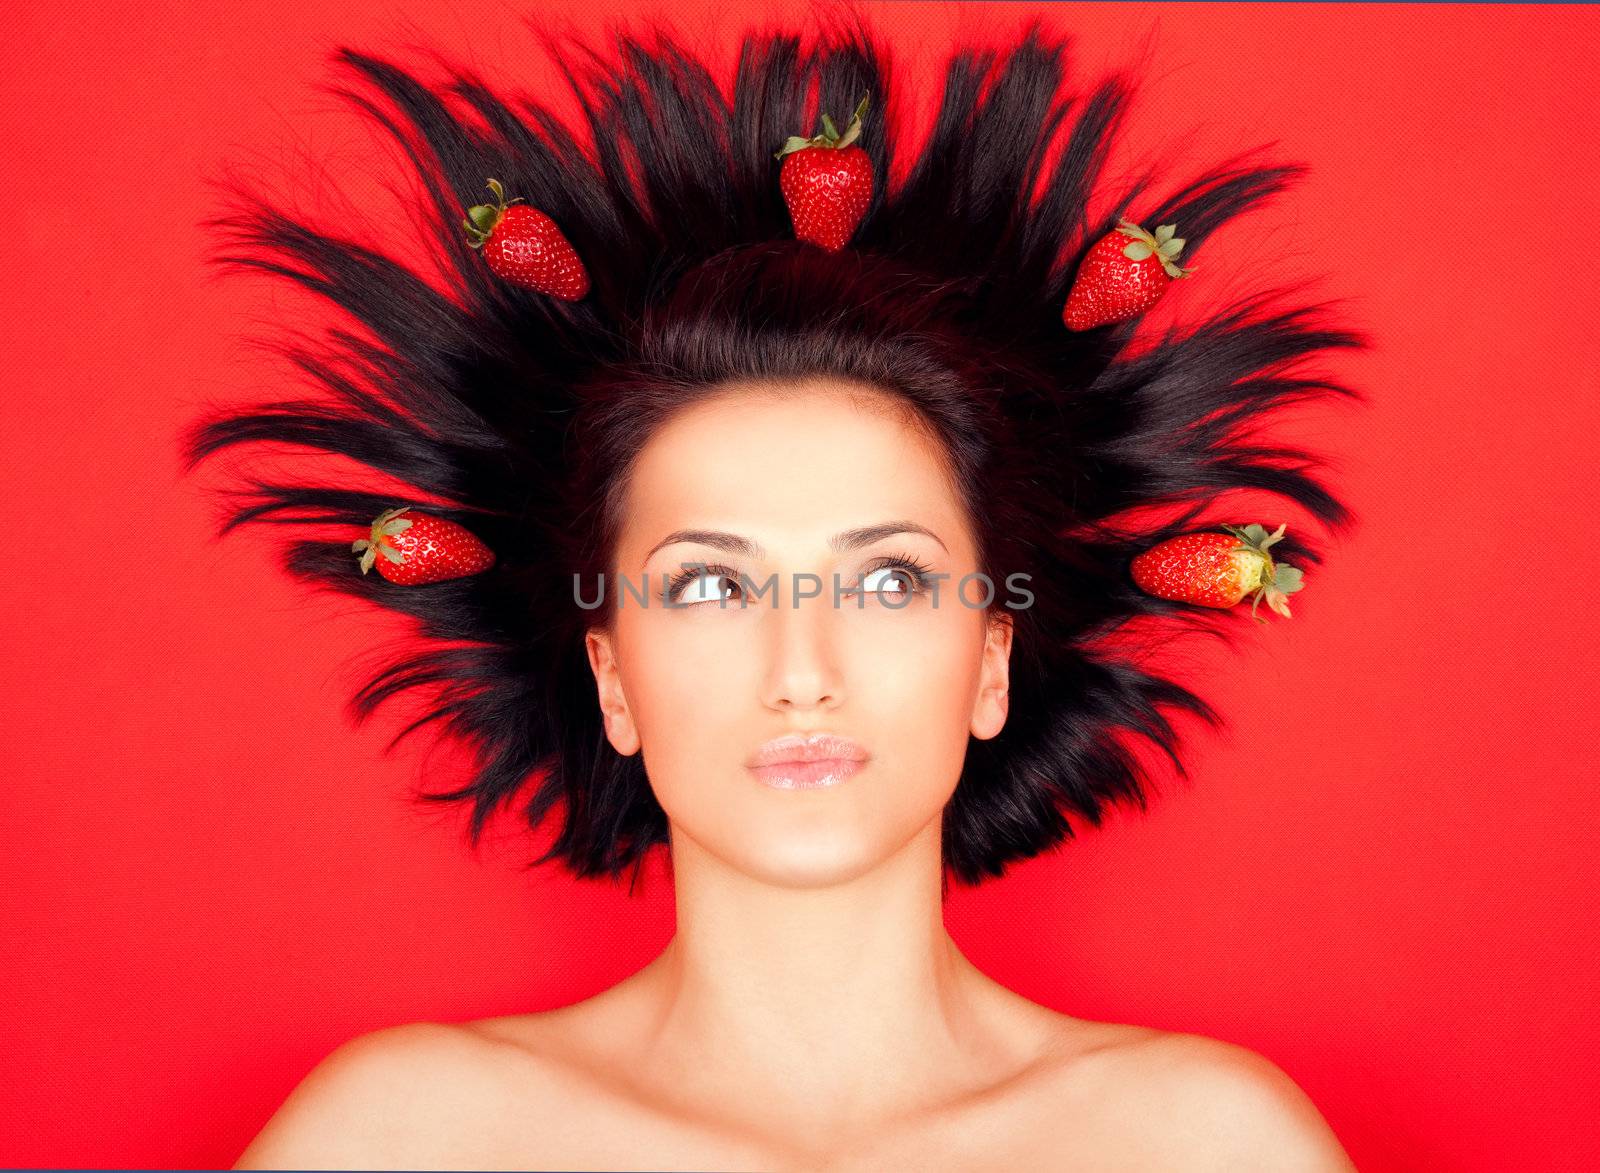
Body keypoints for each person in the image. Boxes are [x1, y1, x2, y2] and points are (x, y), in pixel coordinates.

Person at [182, 13, 1363, 1170]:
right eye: (707, 587)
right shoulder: (405, 1139)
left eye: (888, 580)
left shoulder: (1204, 1144)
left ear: (992, 661)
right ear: (612, 678)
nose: (802, 670)